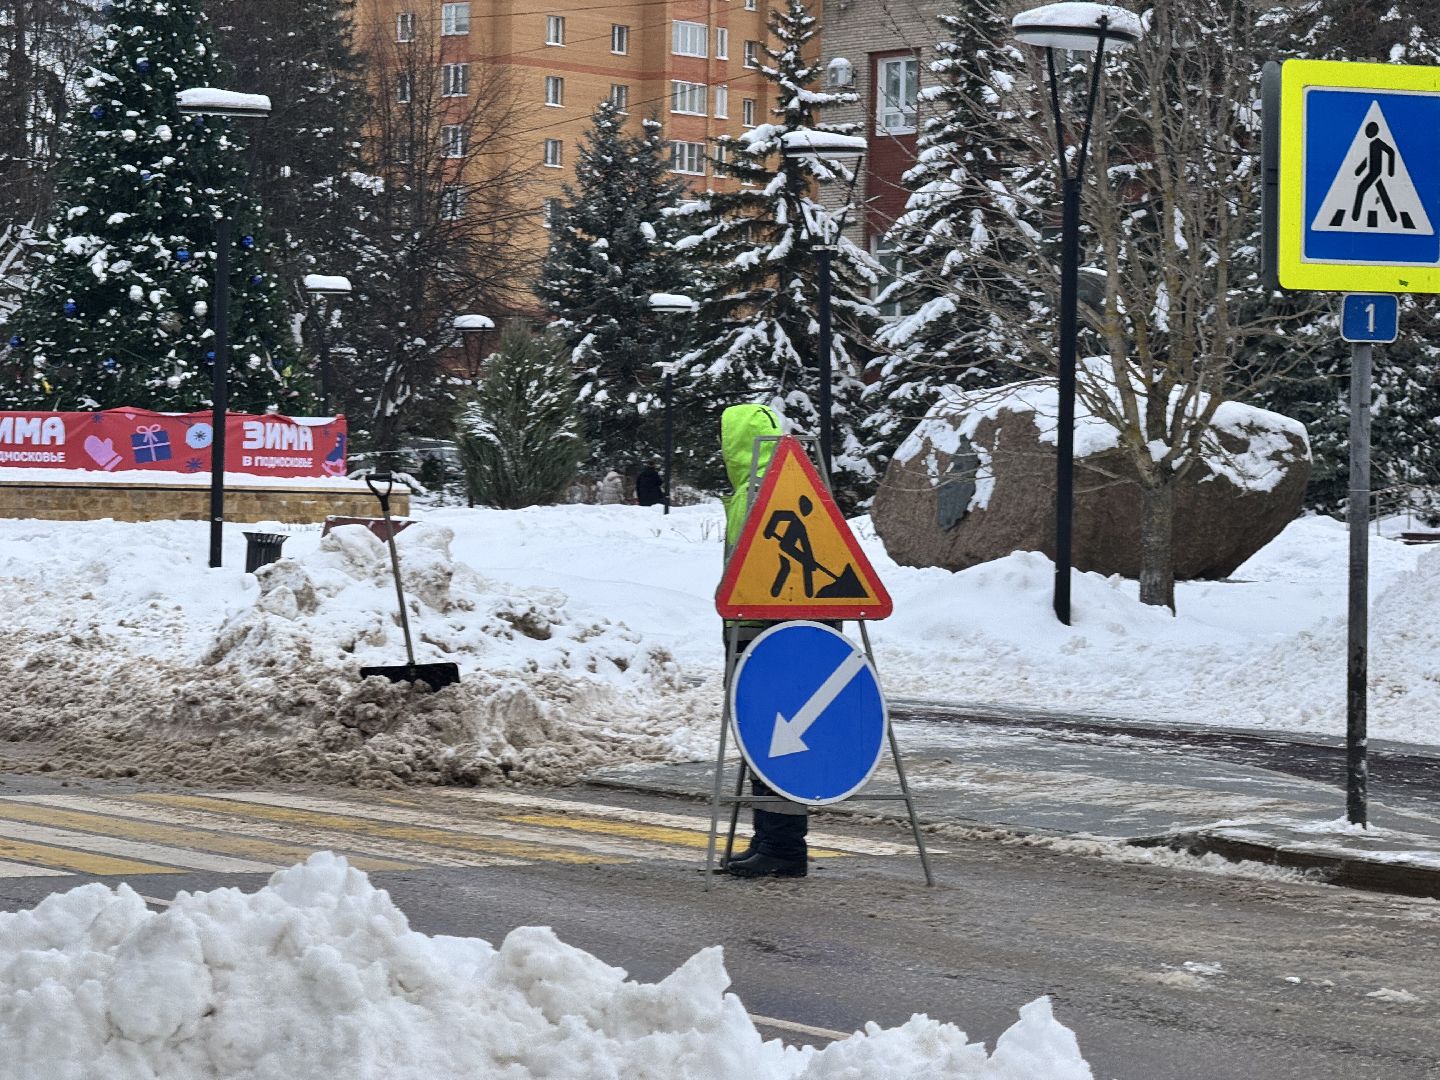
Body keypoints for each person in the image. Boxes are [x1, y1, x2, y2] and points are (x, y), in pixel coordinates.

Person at [718, 402, 809, 879]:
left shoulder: (759, 493)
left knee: (774, 742)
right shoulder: (770, 486)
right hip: (774, 634)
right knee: (767, 743)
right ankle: (770, 840)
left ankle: (784, 846)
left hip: (766, 636)